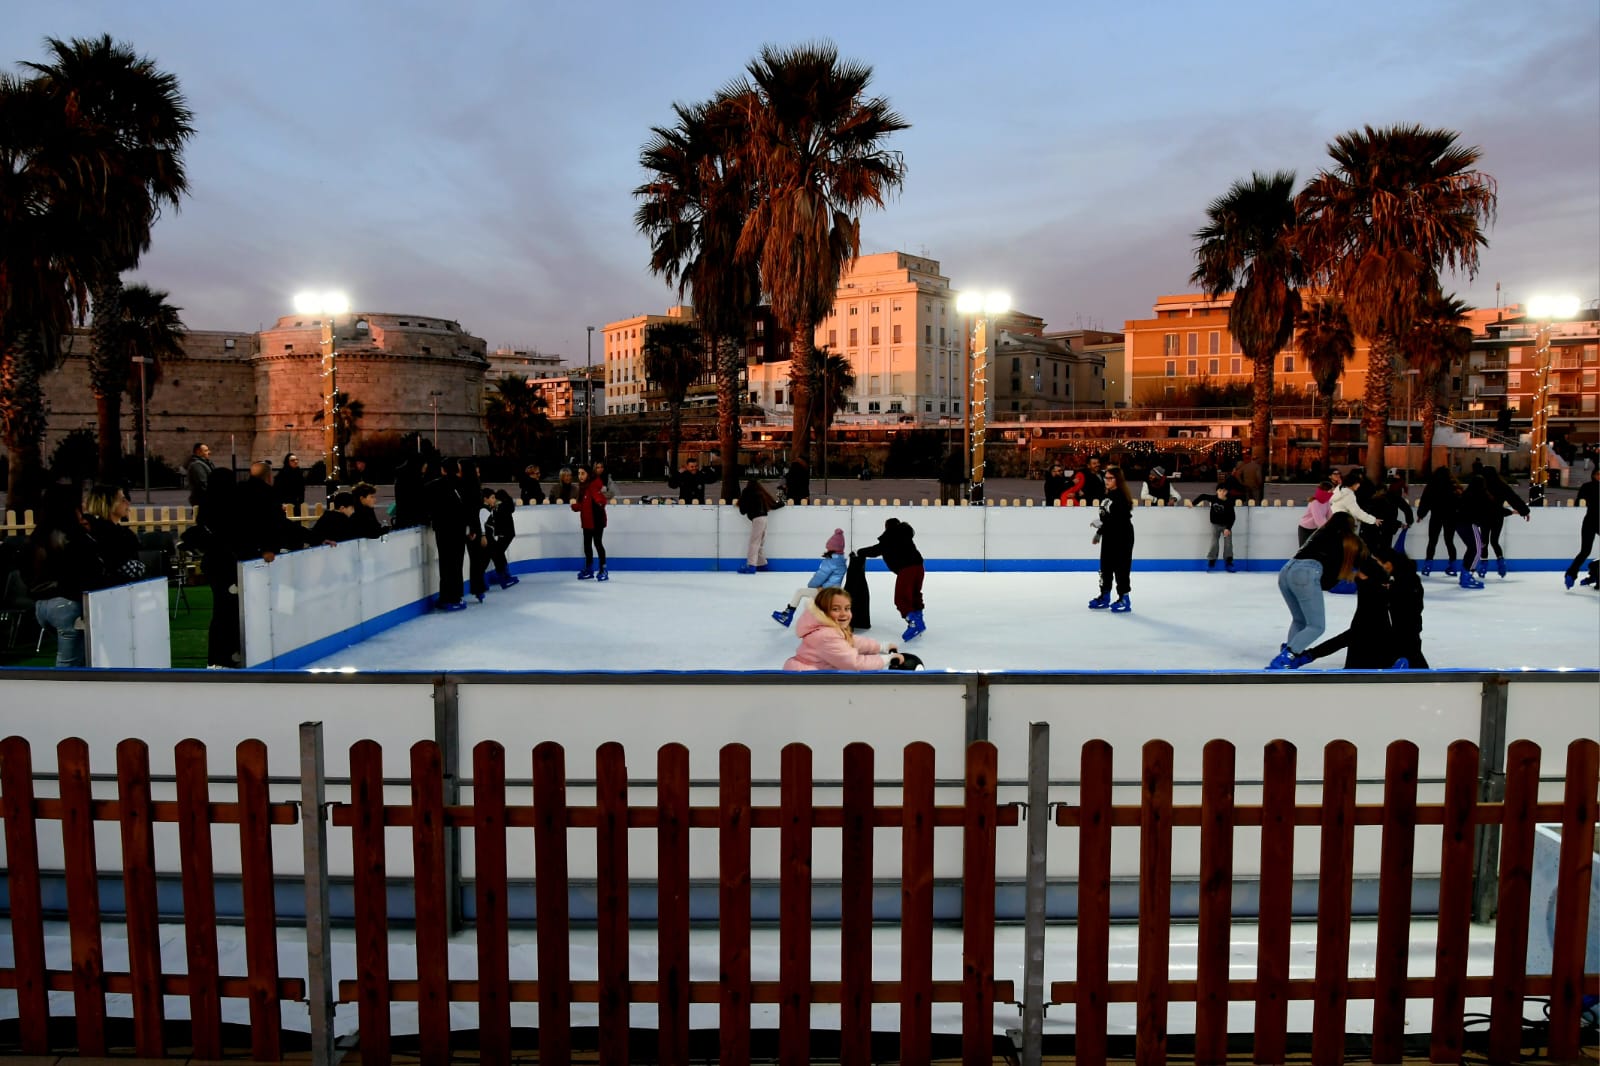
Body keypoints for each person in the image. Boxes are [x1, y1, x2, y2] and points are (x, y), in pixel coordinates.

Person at [1268, 513, 1375, 669]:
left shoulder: (1319, 533)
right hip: (1306, 573)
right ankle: (1286, 658)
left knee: (1300, 621)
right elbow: (1366, 561)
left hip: (1286, 570)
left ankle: (1289, 654)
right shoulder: (1348, 539)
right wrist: (1385, 577)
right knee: (1316, 626)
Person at [25, 483, 109, 667]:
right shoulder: (74, 534)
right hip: (68, 602)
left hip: (42, 604)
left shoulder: (38, 534)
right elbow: (90, 567)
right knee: (69, 665)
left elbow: (26, 568)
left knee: (73, 657)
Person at [1297, 545, 1406, 670]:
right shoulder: (1373, 581)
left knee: (1357, 637)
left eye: (1377, 562)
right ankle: (1308, 656)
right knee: (1357, 638)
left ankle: (1308, 656)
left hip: (1372, 630)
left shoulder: (1382, 583)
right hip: (1368, 631)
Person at [782, 587, 903, 671]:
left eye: (847, 608)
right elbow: (854, 663)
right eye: (835, 609)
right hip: (808, 680)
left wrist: (881, 647)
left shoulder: (829, 628)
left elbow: (851, 641)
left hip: (816, 673)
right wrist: (886, 659)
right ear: (823, 612)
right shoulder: (826, 636)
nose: (844, 614)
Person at [855, 516, 927, 641]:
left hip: (906, 569)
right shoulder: (905, 535)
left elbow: (875, 550)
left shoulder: (890, 537)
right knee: (915, 593)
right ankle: (919, 619)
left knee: (901, 598)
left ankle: (915, 623)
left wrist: (859, 552)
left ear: (887, 527)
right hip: (919, 567)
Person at [772, 528, 847, 626]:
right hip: (833, 591)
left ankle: (786, 616)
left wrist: (813, 585)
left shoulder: (831, 561)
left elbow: (820, 576)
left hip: (826, 592)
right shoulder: (840, 560)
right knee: (812, 601)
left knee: (800, 592)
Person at [1086, 465, 1135, 612]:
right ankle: (1105, 595)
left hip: (1122, 536)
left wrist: (1102, 524)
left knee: (1121, 568)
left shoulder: (1121, 497)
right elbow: (1106, 517)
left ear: (1118, 480)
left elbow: (1120, 520)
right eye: (1105, 478)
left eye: (1110, 478)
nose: (1106, 481)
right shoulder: (1107, 496)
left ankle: (1124, 598)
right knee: (1105, 567)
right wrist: (1099, 532)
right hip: (1109, 536)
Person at [426, 457, 471, 609]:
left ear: (443, 470)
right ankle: (456, 596)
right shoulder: (464, 485)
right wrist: (471, 527)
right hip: (458, 529)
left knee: (445, 563)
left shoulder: (432, 486)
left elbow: (428, 507)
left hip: (442, 529)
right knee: (457, 563)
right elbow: (470, 509)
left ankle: (445, 597)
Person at [81, 484, 145, 584]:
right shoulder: (113, 535)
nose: (128, 503)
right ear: (109, 504)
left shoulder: (93, 529)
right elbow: (128, 569)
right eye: (123, 500)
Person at [1476, 467, 1530, 578]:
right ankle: (1501, 564)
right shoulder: (1501, 486)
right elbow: (1513, 498)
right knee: (1494, 541)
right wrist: (1523, 511)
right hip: (1497, 517)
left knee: (1484, 541)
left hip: (1484, 517)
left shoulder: (1482, 486)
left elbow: (1472, 501)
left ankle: (1483, 566)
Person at [1416, 466, 1461, 576]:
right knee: (1449, 541)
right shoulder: (1453, 485)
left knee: (1432, 541)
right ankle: (1453, 566)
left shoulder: (1432, 485)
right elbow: (1460, 502)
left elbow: (1425, 500)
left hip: (1436, 515)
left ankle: (1428, 566)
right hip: (1451, 517)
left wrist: (1421, 514)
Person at [572, 464, 609, 580]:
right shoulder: (583, 487)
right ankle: (589, 569)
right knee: (587, 546)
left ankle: (603, 569)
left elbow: (601, 500)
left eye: (583, 473)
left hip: (597, 521)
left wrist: (600, 501)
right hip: (587, 521)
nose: (580, 476)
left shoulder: (593, 486)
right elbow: (585, 504)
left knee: (598, 544)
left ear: (588, 474)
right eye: (579, 473)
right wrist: (577, 506)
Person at [736, 477, 781, 574]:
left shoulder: (747, 492)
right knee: (759, 543)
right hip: (764, 518)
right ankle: (762, 565)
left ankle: (751, 565)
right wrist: (782, 503)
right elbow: (773, 505)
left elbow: (742, 510)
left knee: (754, 543)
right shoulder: (761, 493)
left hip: (757, 519)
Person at [1190, 483, 1238, 572]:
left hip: (1226, 526)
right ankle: (1211, 561)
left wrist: (1228, 528)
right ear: (1217, 491)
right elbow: (1203, 496)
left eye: (1224, 491)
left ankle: (1229, 562)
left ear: (1226, 492)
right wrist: (1193, 503)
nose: (1221, 492)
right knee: (1214, 543)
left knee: (1228, 544)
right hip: (1215, 525)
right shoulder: (1213, 498)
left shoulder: (1229, 502)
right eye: (1220, 490)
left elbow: (1232, 517)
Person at [1564, 465, 1599, 589]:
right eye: (1598, 474)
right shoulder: (1587, 486)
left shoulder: (1587, 487)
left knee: (1585, 551)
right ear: (1594, 475)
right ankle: (1571, 574)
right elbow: (1579, 500)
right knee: (1585, 551)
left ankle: (1595, 573)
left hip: (1593, 521)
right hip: (1590, 521)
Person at [480, 487, 519, 589]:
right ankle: (502, 578)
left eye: (495, 498)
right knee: (496, 556)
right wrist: (483, 535)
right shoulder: (485, 509)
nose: (494, 500)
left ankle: (501, 578)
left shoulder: (490, 509)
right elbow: (481, 523)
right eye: (492, 498)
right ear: (485, 499)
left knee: (494, 557)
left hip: (491, 538)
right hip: (488, 538)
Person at [1296, 481, 1334, 547]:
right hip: (1305, 529)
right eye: (1331, 490)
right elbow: (1318, 519)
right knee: (1303, 549)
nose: (1332, 493)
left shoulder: (1326, 502)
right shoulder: (1315, 502)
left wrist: (1335, 524)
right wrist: (1328, 530)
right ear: (1325, 490)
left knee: (1315, 548)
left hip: (1315, 528)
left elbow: (1330, 515)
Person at [186, 442, 214, 507]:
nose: (209, 452)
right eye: (206, 451)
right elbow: (202, 484)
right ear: (199, 452)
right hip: (202, 500)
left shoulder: (205, 463)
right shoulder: (197, 465)